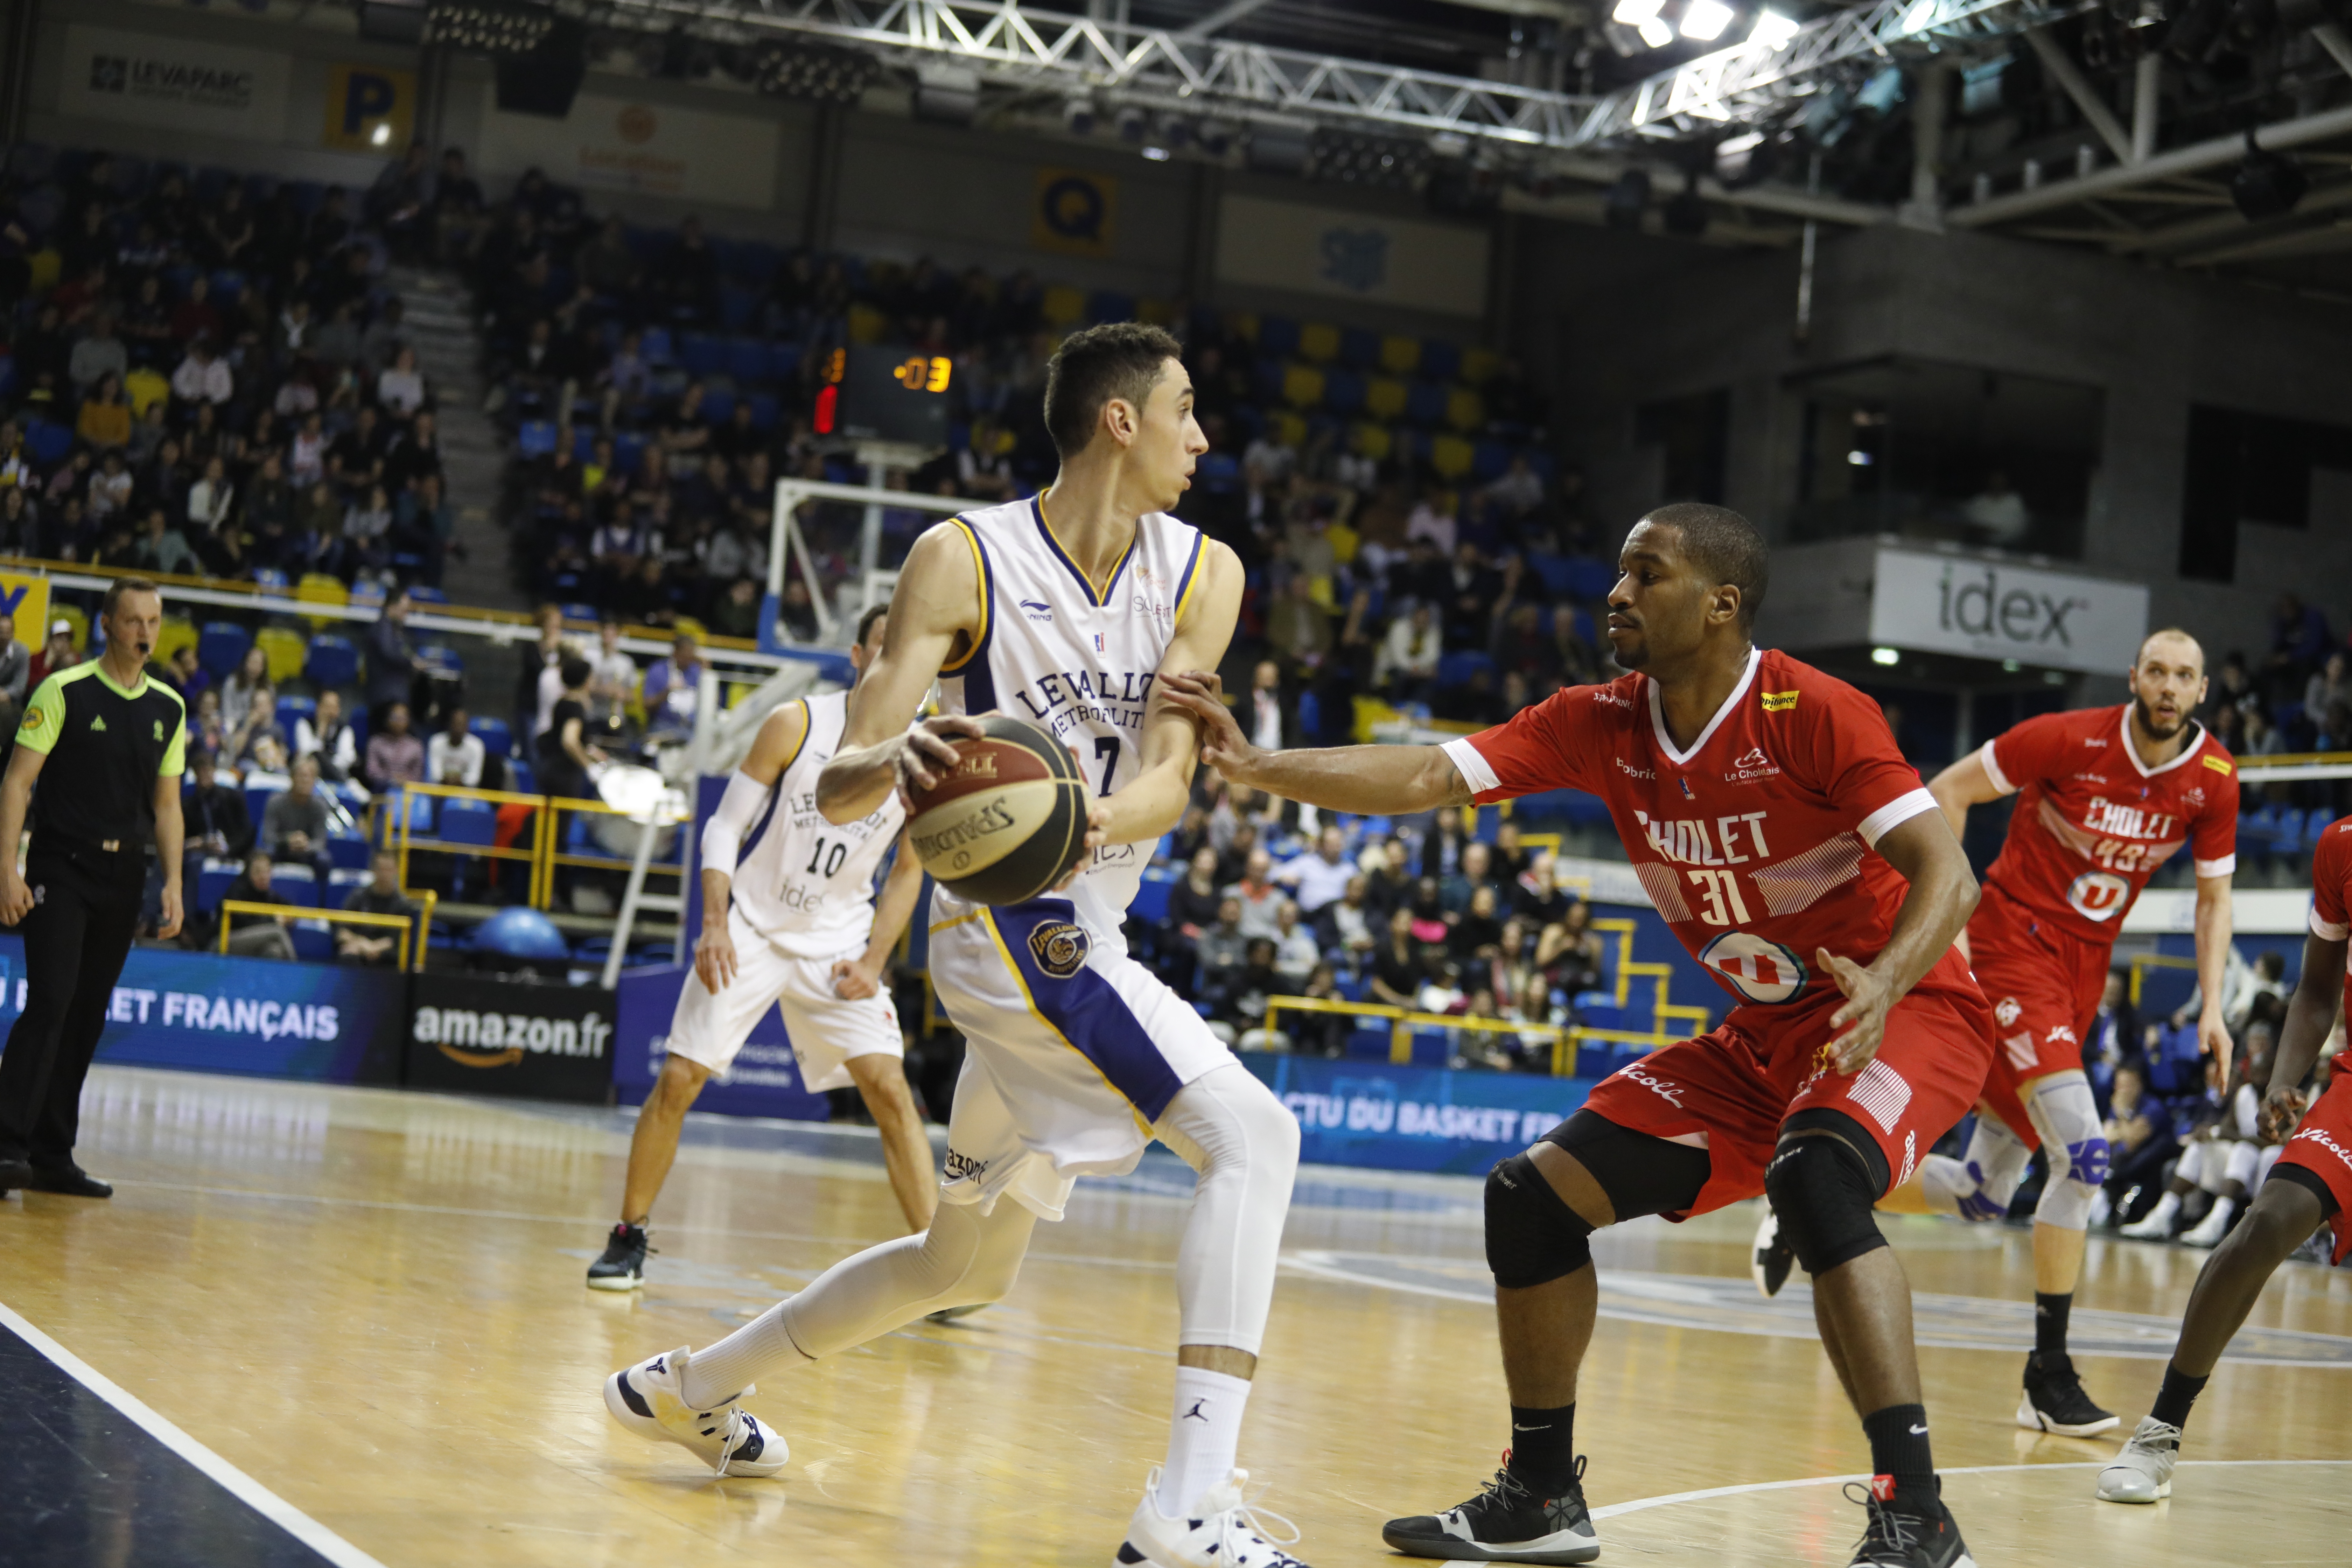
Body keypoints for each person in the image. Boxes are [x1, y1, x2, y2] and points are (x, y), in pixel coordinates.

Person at [1160, 503, 1988, 1568]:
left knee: (1816, 1177)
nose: (1617, 593)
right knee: (1531, 1197)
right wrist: (1256, 766)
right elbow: (1425, 776)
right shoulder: (1599, 719)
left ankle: (1917, 1513)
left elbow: (1947, 871)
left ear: (1720, 603)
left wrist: (1880, 981)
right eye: (1617, 572)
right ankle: (1541, 1494)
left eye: (1647, 574)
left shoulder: (1810, 710)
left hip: (1907, 1007)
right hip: (1765, 1032)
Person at [596, 323, 1302, 1568]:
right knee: (1254, 1136)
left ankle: (684, 1384)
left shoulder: (1204, 574)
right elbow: (846, 777)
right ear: (1116, 421)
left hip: (1083, 914)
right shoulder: (958, 557)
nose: (1203, 437)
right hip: (1010, 936)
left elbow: (1165, 784)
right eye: (1184, 410)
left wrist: (1064, 817)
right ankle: (1185, 1509)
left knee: (956, 1263)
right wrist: (901, 757)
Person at [1806, 630, 2239, 1440]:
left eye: (2185, 675)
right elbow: (1948, 791)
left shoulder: (2214, 779)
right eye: (2157, 672)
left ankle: (1813, 1187)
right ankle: (2048, 1373)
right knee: (2086, 1152)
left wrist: (2212, 1005)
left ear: (2203, 690)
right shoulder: (2065, 737)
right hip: (2015, 943)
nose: (2169, 687)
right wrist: (1957, 920)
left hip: (2084, 971)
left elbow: (2214, 902)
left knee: (1982, 1194)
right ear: (2134, 677)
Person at [588, 607, 933, 1289]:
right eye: (888, 648)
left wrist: (873, 962)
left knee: (891, 1089)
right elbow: (724, 826)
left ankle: (939, 1265)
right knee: (680, 1078)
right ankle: (629, 1236)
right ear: (860, 655)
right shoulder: (797, 724)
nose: (902, 663)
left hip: (836, 943)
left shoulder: (926, 755)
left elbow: (909, 872)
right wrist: (715, 922)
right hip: (752, 925)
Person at [2095, 816, 2352, 1507]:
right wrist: (2283, 1083)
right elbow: (2319, 992)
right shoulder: (2341, 844)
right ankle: (2159, 1431)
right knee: (2269, 1219)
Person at [0, 579, 187, 1201]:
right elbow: (17, 783)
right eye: (133, 620)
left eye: (154, 621)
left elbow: (167, 805)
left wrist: (175, 882)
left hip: (125, 873)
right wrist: (8, 868)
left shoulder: (169, 708)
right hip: (63, 864)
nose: (144, 632)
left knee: (87, 1013)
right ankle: (6, 1146)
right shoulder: (63, 691)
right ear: (107, 624)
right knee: (51, 1000)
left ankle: (54, 1154)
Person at [336, 849, 419, 966]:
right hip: (358, 948)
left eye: (388, 869)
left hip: (386, 954)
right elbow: (342, 931)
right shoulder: (358, 896)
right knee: (347, 953)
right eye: (381, 869)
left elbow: (397, 940)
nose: (384, 874)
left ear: (396, 870)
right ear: (373, 870)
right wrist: (361, 943)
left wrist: (373, 948)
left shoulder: (403, 904)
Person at [535, 656, 602, 801]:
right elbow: (570, 741)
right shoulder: (575, 708)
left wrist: (591, 752)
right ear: (585, 680)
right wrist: (589, 767)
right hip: (564, 775)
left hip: (551, 769)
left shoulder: (562, 701)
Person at [260, 755, 334, 882]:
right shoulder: (275, 802)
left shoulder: (320, 806)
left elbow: (321, 842)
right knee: (262, 857)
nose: (305, 780)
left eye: (310, 776)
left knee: (324, 860)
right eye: (301, 776)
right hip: (281, 850)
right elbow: (268, 837)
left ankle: (320, 900)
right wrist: (289, 840)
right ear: (292, 778)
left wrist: (306, 845)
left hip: (307, 854)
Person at [182, 748, 252, 878]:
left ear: (214, 771)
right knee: (194, 863)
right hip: (200, 855)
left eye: (208, 770)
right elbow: (184, 840)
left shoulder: (233, 798)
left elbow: (246, 832)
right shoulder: (188, 806)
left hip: (233, 851)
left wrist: (229, 848)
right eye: (200, 772)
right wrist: (200, 843)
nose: (205, 775)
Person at [364, 588, 427, 733]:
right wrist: (411, 663)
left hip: (394, 695)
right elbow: (389, 652)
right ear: (392, 607)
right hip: (386, 698)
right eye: (404, 610)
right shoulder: (382, 628)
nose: (406, 615)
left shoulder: (395, 631)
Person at [219, 849, 297, 961]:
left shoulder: (269, 894)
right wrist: (274, 921)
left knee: (274, 950)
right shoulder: (237, 890)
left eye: (267, 872)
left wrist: (289, 916)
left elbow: (290, 906)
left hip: (253, 945)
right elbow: (243, 923)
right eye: (258, 872)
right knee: (278, 931)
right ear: (248, 873)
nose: (263, 876)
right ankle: (295, 974)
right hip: (226, 941)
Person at [293, 689, 360, 784]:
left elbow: (348, 758)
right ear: (318, 707)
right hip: (311, 777)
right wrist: (321, 733)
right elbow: (307, 753)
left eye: (334, 707)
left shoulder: (345, 730)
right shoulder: (304, 724)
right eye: (327, 707)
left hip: (337, 777)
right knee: (316, 755)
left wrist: (328, 765)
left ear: (339, 710)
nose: (330, 712)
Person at [364, 701, 425, 792]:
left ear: (409, 721)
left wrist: (405, 780)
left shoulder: (416, 746)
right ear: (386, 720)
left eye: (402, 718)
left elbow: (419, 774)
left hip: (409, 792)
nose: (398, 722)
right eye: (395, 718)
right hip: (382, 791)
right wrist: (391, 779)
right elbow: (371, 771)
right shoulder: (376, 742)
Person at [427, 705, 486, 788]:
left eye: (461, 725)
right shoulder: (436, 742)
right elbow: (435, 775)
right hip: (441, 790)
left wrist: (458, 781)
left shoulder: (476, 746)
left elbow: (474, 778)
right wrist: (449, 780)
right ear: (449, 725)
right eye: (455, 724)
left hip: (466, 792)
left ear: (467, 728)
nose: (458, 729)